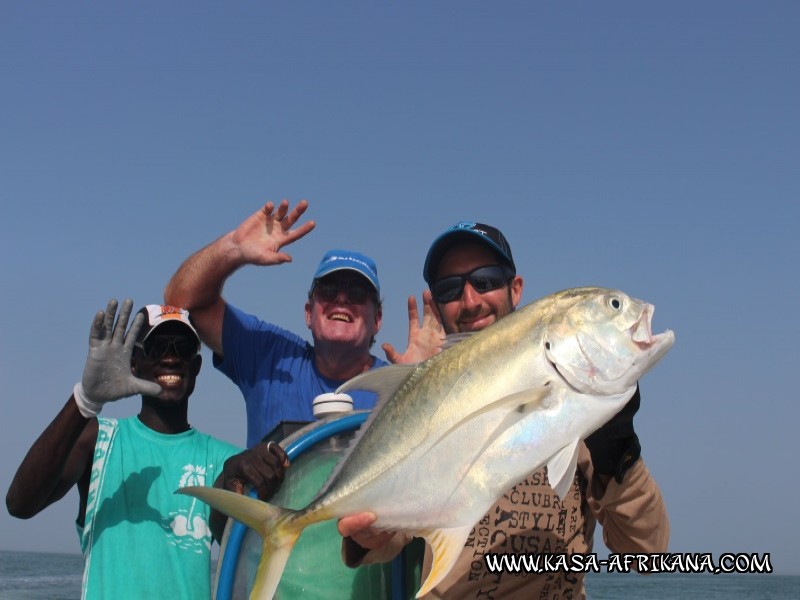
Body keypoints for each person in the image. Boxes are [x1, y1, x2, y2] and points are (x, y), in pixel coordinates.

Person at [339, 222, 670, 599]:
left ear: (515, 289)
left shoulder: (584, 414)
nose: (470, 301)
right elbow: (383, 539)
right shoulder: (432, 405)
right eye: (450, 289)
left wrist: (619, 450)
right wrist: (367, 533)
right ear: (436, 303)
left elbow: (647, 554)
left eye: (485, 280)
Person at [6, 299, 289, 599]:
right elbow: (20, 503)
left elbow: (242, 547)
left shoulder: (224, 460)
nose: (170, 358)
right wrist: (85, 401)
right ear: (133, 363)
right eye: (157, 348)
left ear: (196, 367)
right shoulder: (98, 439)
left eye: (183, 349)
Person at [163, 199, 387, 448]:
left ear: (377, 320)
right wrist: (234, 248)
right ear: (308, 314)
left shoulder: (398, 387)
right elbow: (181, 300)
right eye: (329, 288)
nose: (341, 298)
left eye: (357, 293)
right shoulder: (270, 358)